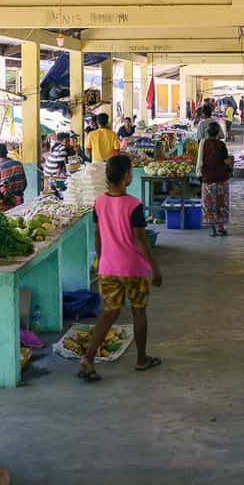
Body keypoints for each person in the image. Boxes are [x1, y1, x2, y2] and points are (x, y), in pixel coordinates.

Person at [79, 154, 163, 382]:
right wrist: (155, 269)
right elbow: (141, 241)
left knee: (110, 312)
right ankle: (141, 359)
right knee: (138, 312)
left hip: (108, 266)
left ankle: (88, 358)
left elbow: (97, 235)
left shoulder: (99, 202)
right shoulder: (133, 205)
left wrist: (101, 259)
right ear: (127, 176)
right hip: (133, 268)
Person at [199, 122, 233, 237]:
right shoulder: (221, 145)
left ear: (207, 132)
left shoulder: (203, 144)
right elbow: (225, 160)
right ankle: (221, 227)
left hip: (208, 178)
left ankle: (213, 230)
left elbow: (200, 161)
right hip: (221, 178)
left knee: (209, 204)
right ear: (218, 132)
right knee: (220, 203)